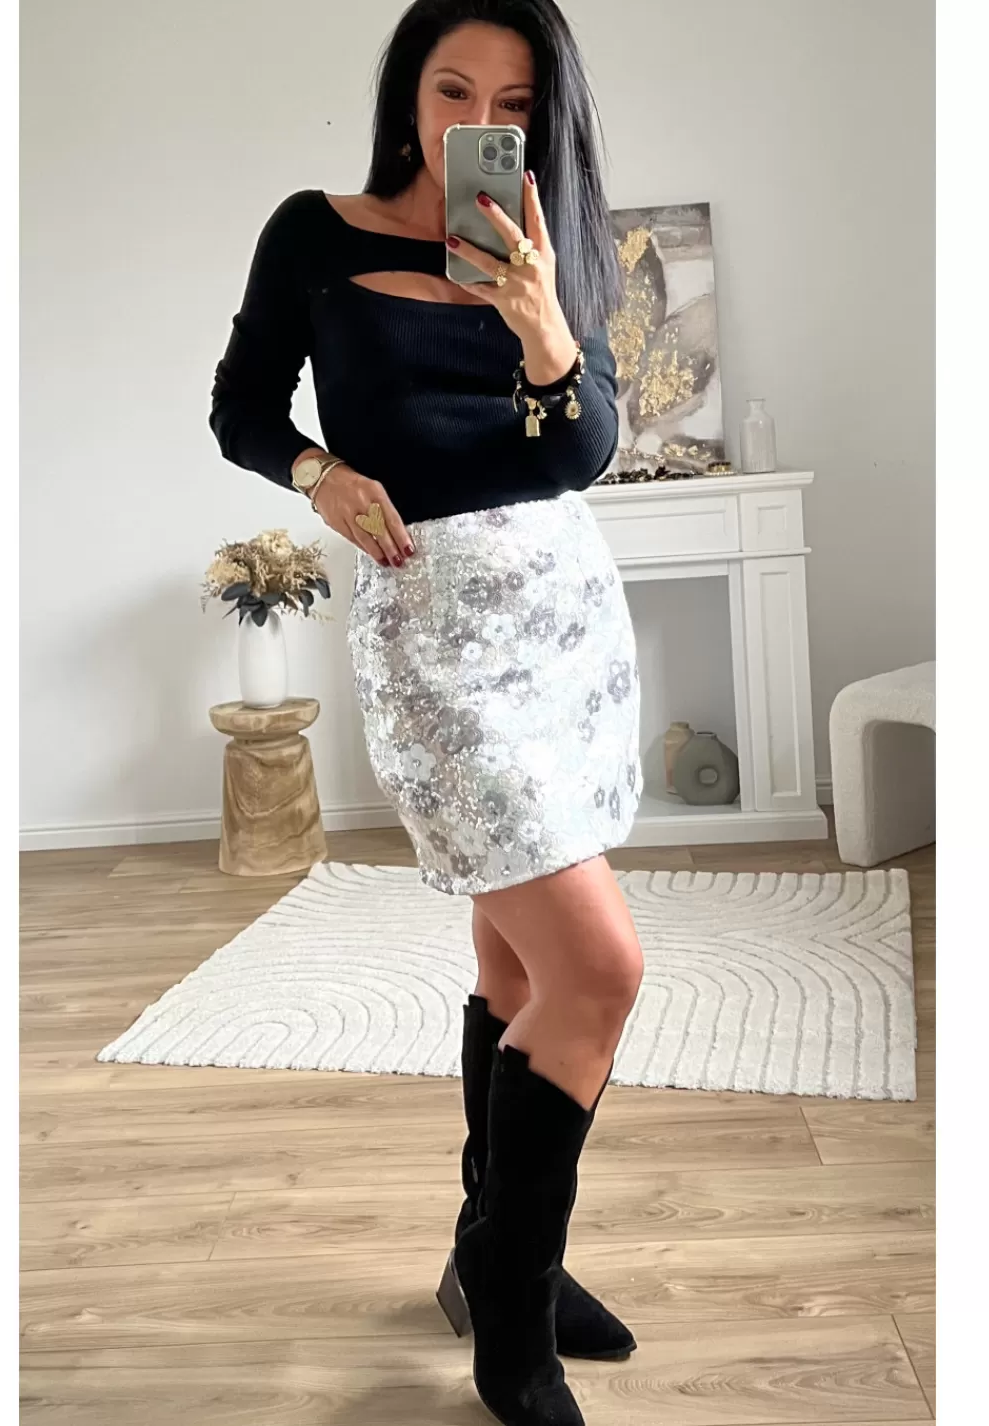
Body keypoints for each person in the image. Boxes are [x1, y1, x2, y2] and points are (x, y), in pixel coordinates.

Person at [209, 3, 644, 1422]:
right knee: (600, 970)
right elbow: (241, 405)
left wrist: (543, 326)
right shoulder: (315, 234)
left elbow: (581, 453)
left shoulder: (553, 249)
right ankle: (512, 1326)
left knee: (520, 968)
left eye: (512, 102)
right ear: (408, 94)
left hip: (561, 621)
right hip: (433, 636)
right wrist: (318, 473)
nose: (477, 121)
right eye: (453, 88)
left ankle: (498, 1257)